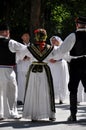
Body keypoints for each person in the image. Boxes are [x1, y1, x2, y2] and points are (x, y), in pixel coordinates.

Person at [52, 16, 86, 121]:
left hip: (76, 63)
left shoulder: (73, 36)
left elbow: (62, 50)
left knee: (73, 89)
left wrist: (54, 56)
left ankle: (73, 115)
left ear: (77, 25)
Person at [23, 28, 56, 121]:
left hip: (33, 69)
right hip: (45, 70)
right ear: (45, 36)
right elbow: (58, 54)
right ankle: (50, 114)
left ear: (36, 37)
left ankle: (34, 115)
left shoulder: (29, 48)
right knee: (46, 90)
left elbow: (21, 55)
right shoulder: (51, 48)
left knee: (34, 90)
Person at [0, 23, 29, 120]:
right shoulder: (10, 42)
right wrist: (19, 57)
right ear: (7, 32)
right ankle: (12, 113)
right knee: (12, 91)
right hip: (7, 69)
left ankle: (1, 114)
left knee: (0, 92)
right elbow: (24, 48)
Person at [48, 36, 69, 104]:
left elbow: (66, 55)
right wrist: (50, 59)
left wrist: (56, 59)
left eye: (55, 40)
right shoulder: (49, 48)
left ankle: (61, 97)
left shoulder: (62, 48)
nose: (54, 42)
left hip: (61, 65)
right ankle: (53, 97)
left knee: (62, 80)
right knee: (53, 80)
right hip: (52, 66)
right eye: (53, 40)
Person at [17, 33, 31, 105]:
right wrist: (24, 57)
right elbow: (17, 55)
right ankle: (20, 99)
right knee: (21, 83)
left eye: (27, 35)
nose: (26, 37)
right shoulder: (19, 46)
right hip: (21, 66)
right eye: (24, 36)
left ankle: (29, 99)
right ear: (22, 37)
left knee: (30, 83)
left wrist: (30, 57)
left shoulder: (32, 46)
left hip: (30, 66)